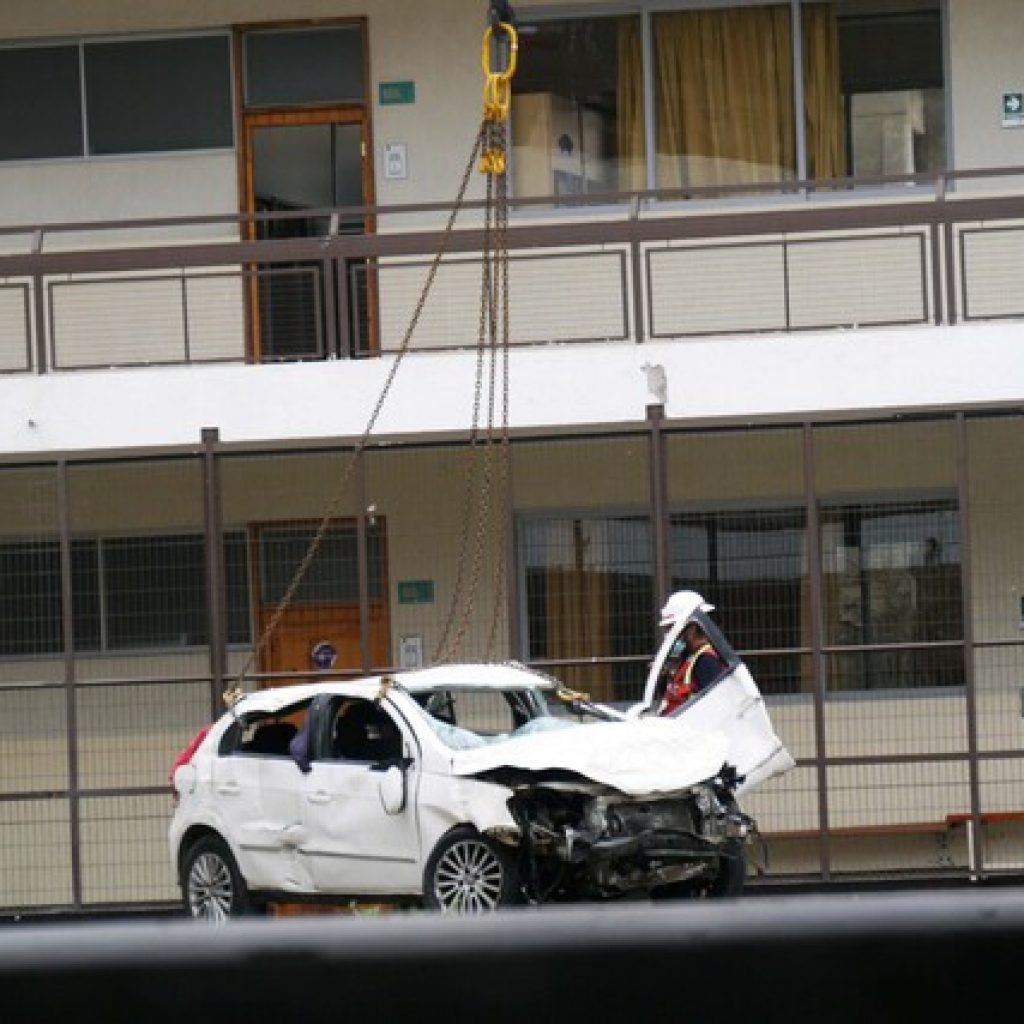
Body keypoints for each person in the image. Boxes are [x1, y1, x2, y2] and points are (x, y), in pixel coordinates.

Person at [658, 618, 725, 716]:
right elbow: (671, 692)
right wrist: (663, 676)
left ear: (691, 630)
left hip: (689, 724)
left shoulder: (706, 661)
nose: (671, 634)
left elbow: (712, 704)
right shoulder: (687, 656)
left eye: (672, 628)